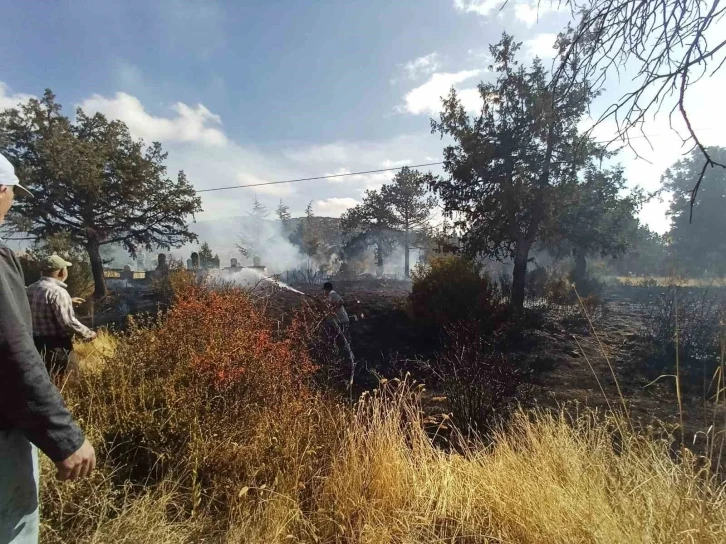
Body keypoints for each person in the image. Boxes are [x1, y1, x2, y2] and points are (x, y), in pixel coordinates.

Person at [1, 153, 96, 544]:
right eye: (11, 194)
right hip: (52, 352)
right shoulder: (9, 263)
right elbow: (12, 349)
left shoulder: (32, 286)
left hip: (40, 348)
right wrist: (62, 435)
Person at [27, 255, 96, 375]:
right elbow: (68, 322)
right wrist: (88, 334)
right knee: (67, 384)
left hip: (35, 345)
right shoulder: (58, 292)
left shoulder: (31, 288)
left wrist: (68, 301)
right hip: (57, 348)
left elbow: (40, 307)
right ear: (62, 272)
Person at [322, 282, 354, 364]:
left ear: (327, 289)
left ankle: (348, 358)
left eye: (324, 290)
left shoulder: (333, 295)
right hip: (336, 322)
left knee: (344, 340)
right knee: (337, 340)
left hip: (342, 322)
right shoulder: (329, 297)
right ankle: (339, 357)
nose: (323, 292)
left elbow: (341, 302)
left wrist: (333, 307)